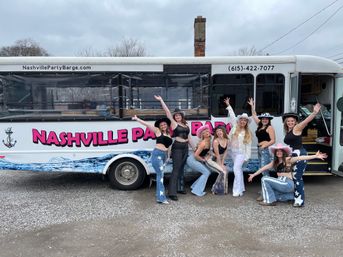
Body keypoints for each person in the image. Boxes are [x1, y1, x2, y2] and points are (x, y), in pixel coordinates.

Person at [248, 143, 327, 206]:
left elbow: (301, 158)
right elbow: (264, 168)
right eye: (277, 151)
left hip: (287, 183)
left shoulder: (288, 159)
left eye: (280, 151)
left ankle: (270, 201)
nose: (279, 152)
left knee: (264, 179)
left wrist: (315, 156)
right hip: (281, 183)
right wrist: (253, 175)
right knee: (272, 193)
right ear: (275, 153)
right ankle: (291, 196)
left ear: (283, 152)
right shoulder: (274, 162)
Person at [154, 95, 193, 201]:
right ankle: (172, 192)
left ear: (181, 116)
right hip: (177, 148)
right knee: (176, 169)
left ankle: (180, 188)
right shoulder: (174, 124)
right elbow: (167, 112)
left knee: (181, 169)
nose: (177, 117)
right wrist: (161, 100)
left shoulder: (186, 125)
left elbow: (189, 137)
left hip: (185, 147)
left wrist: (193, 148)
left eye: (179, 115)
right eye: (175, 116)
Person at [283, 103, 321, 207]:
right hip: (294, 155)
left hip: (300, 153)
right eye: (288, 121)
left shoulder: (297, 128)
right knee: (295, 177)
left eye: (292, 121)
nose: (290, 122)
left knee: (297, 177)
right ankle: (296, 197)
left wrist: (314, 113)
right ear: (286, 123)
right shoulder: (289, 130)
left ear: (295, 122)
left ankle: (299, 201)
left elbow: (305, 121)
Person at [132, 115, 172, 205]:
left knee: (160, 176)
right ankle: (161, 198)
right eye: (161, 125)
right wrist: (137, 119)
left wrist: (169, 156)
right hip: (157, 154)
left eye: (164, 124)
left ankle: (160, 197)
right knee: (160, 176)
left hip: (164, 156)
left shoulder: (169, 135)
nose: (163, 126)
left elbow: (169, 147)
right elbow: (147, 125)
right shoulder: (158, 131)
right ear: (159, 127)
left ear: (167, 125)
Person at [224, 97, 252, 197]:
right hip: (233, 152)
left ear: (246, 123)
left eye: (245, 120)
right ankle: (242, 188)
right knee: (239, 170)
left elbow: (248, 146)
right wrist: (228, 105)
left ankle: (237, 190)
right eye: (242, 120)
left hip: (241, 154)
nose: (243, 121)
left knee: (236, 169)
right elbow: (232, 116)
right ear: (239, 121)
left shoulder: (247, 132)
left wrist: (247, 157)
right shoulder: (235, 127)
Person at [247, 98, 275, 176]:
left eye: (266, 119)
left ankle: (267, 186)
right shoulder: (260, 125)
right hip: (260, 149)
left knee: (264, 169)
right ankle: (266, 185)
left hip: (265, 150)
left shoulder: (270, 127)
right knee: (262, 168)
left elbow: (273, 140)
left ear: (269, 120)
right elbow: (254, 115)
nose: (264, 120)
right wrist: (252, 106)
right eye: (263, 119)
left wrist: (264, 146)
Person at [186, 124, 212, 196]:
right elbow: (196, 155)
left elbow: (205, 151)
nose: (207, 133)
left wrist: (209, 154)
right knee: (206, 172)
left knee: (208, 172)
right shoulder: (203, 143)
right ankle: (197, 191)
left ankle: (194, 186)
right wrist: (203, 160)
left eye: (208, 131)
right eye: (204, 133)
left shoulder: (208, 141)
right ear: (202, 135)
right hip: (192, 160)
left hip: (196, 159)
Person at [211, 125, 229, 195]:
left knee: (226, 171)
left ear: (223, 131)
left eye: (220, 130)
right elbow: (217, 154)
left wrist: (222, 163)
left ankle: (223, 190)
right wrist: (220, 164)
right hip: (214, 159)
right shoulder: (216, 141)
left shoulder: (227, 140)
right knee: (222, 171)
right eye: (217, 131)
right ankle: (215, 189)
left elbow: (225, 153)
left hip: (221, 159)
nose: (218, 132)